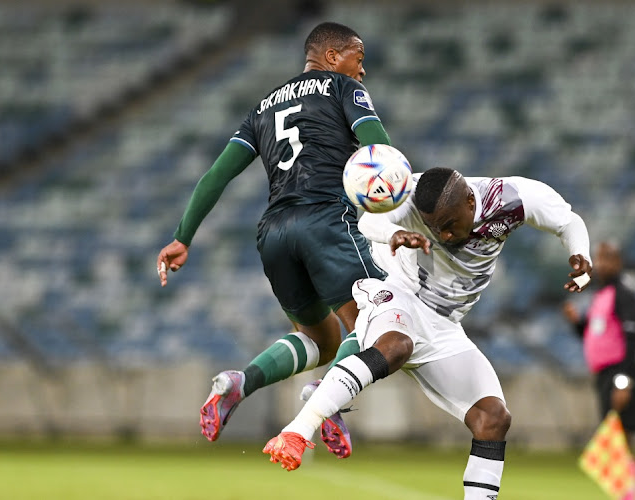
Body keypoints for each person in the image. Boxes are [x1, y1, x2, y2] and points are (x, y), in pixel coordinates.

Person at [263, 167, 593, 500]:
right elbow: (368, 221)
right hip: (397, 291)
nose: (445, 237)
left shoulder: (512, 197)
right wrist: (393, 232)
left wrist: (580, 253)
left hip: (445, 324)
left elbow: (568, 221)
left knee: (493, 418)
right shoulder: (409, 193)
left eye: (450, 225)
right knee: (397, 345)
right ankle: (296, 432)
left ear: (469, 200)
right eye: (436, 229)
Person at [156, 22, 391, 454]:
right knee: (376, 322)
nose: (362, 72)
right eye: (359, 60)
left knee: (323, 341)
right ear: (334, 56)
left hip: (275, 234)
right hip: (327, 219)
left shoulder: (261, 108)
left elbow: (216, 175)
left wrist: (182, 236)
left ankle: (238, 383)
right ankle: (327, 398)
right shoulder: (342, 89)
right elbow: (380, 151)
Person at [562, 241, 635, 444]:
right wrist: (576, 322)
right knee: (612, 436)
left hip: (621, 371)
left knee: (621, 435)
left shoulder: (623, 295)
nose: (601, 264)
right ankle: (622, 476)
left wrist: (623, 383)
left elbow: (632, 336)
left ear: (618, 262)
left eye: (607, 258)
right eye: (598, 258)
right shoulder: (600, 296)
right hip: (604, 375)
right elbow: (592, 334)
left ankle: (626, 476)